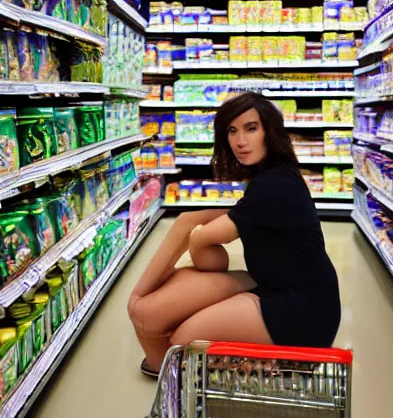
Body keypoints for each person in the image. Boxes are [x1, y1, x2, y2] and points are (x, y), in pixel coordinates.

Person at [128, 92, 341, 377]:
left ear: (269, 131)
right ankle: (242, 361)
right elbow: (229, 223)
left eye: (251, 128)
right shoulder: (276, 175)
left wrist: (195, 237)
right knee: (180, 328)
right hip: (285, 291)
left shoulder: (272, 184)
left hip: (301, 311)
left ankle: (276, 363)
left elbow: (205, 241)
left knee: (182, 343)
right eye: (232, 130)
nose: (240, 141)